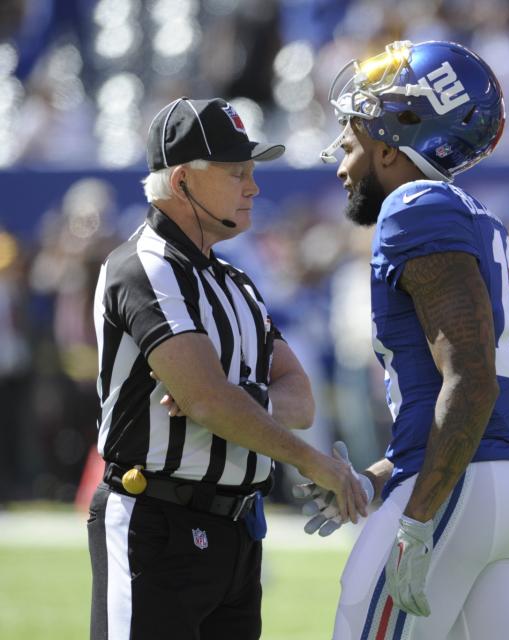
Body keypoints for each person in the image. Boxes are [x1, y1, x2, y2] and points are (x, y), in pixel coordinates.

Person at [87, 97, 368, 640]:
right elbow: (208, 401)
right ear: (185, 180)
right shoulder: (142, 266)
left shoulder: (235, 282)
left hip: (236, 530)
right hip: (156, 523)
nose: (253, 187)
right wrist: (312, 462)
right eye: (237, 172)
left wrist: (235, 401)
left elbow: (299, 399)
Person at [305, 40, 509, 639]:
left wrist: (418, 516)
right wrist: (385, 472)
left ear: (391, 145)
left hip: (459, 488)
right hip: (505, 480)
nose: (341, 163)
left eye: (353, 141)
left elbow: (471, 377)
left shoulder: (414, 206)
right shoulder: (471, 214)